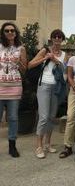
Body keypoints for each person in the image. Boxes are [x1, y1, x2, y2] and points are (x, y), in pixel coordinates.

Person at [28, 29, 67, 159]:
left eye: (59, 37)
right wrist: (45, 58)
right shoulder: (45, 50)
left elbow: (65, 71)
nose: (57, 39)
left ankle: (47, 143)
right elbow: (30, 64)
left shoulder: (64, 54)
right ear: (51, 39)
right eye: (55, 36)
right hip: (44, 85)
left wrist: (55, 60)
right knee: (43, 117)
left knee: (51, 116)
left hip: (56, 87)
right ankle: (38, 145)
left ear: (62, 40)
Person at [0, 22, 27, 157]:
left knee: (13, 118)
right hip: (0, 87)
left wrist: (19, 62)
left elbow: (24, 69)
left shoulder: (20, 48)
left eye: (12, 30)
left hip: (15, 87)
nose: (10, 32)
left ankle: (12, 146)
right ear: (3, 33)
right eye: (7, 31)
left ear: (16, 33)